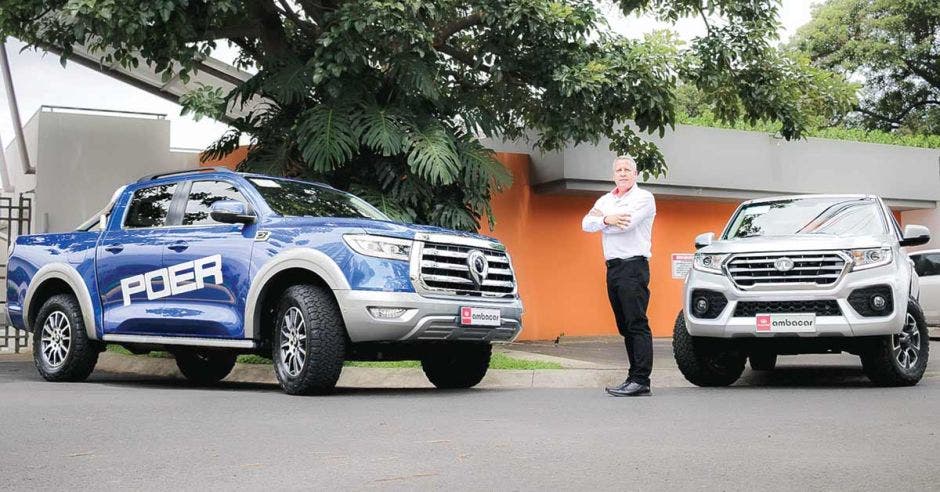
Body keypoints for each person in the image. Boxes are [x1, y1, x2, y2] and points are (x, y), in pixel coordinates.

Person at [581, 156, 656, 397]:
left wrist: (605, 221)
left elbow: (627, 224)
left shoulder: (644, 198)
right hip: (613, 268)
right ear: (613, 174)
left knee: (636, 323)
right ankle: (633, 376)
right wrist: (605, 219)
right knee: (624, 325)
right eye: (618, 170)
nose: (623, 173)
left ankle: (641, 379)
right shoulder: (605, 199)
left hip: (633, 267)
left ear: (636, 174)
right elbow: (586, 223)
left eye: (627, 170)